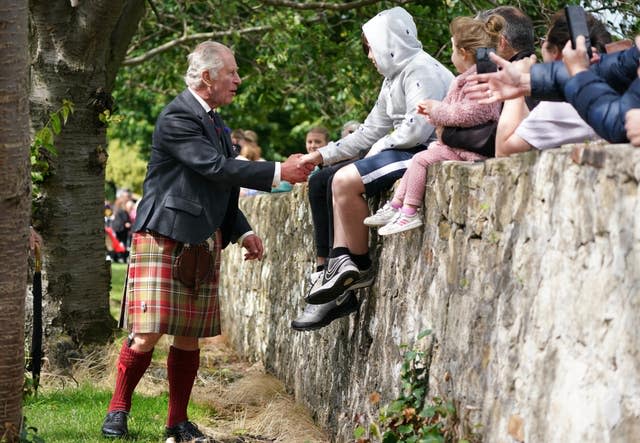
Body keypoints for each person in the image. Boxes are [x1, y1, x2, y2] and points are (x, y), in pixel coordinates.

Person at [100, 41, 312, 442]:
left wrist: (243, 229)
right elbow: (213, 167)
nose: (238, 79)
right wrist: (279, 170)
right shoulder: (178, 116)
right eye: (231, 72)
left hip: (202, 238)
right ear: (206, 77)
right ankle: (117, 411)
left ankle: (177, 422)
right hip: (164, 234)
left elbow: (221, 186)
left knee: (189, 334)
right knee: (147, 332)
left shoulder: (217, 123)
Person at [297, 6, 454, 308]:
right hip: (403, 147)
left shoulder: (419, 69)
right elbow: (369, 130)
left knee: (344, 180)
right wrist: (321, 155)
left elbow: (418, 128)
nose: (370, 57)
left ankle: (358, 263)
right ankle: (334, 263)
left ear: (388, 43)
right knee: (325, 179)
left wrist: (379, 148)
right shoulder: (392, 79)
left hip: (425, 149)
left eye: (371, 49)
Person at [366, 14, 504, 236]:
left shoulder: (481, 79)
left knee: (419, 160)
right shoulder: (468, 78)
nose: (450, 56)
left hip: (470, 149)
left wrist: (437, 111)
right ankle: (396, 205)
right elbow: (453, 109)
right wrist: (433, 114)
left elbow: (476, 112)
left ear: (464, 53)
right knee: (418, 160)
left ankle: (409, 210)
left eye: (452, 49)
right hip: (455, 145)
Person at [465, 36, 640, 144]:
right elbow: (616, 68)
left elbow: (621, 123)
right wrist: (526, 81)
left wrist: (579, 73)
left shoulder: (552, 109)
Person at [494, 10, 611, 156]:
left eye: (544, 40)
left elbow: (503, 151)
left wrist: (516, 85)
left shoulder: (562, 103)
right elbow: (525, 127)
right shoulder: (609, 84)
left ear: (557, 52)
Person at [441, 5, 537, 154]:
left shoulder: (520, 77)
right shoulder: (543, 75)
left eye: (481, 40)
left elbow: (501, 136)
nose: (476, 50)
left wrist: (448, 134)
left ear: (500, 43)